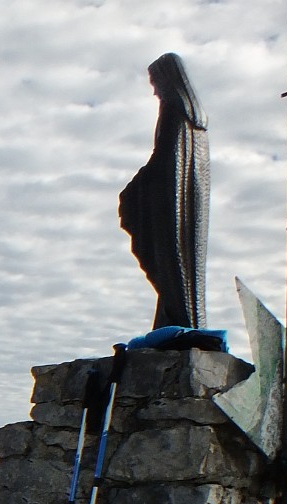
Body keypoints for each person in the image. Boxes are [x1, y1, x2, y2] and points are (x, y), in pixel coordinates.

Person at [118, 52, 210, 330]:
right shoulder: (191, 120)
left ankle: (179, 317)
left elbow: (167, 160)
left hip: (170, 206)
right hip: (175, 202)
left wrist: (139, 184)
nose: (154, 89)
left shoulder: (175, 112)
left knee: (170, 262)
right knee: (169, 266)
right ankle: (173, 316)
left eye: (155, 81)